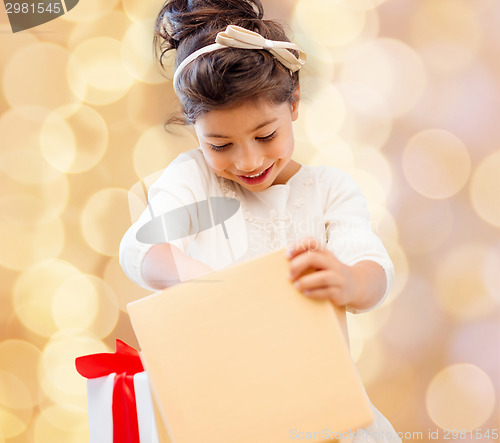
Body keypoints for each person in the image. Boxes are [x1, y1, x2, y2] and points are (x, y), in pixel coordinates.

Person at [119, 0, 401, 441]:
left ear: (293, 102)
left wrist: (347, 281)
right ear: (194, 130)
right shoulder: (194, 180)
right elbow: (138, 248)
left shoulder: (328, 191)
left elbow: (375, 272)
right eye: (220, 144)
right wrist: (210, 289)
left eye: (265, 136)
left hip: (323, 419)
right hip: (230, 418)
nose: (248, 160)